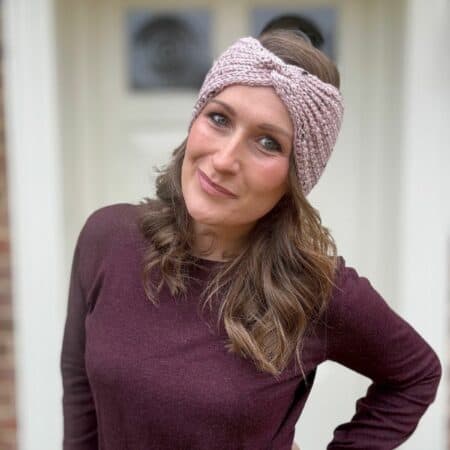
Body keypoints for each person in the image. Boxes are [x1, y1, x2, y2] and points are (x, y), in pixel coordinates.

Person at [60, 29, 442, 450]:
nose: (224, 160)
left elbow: (415, 374)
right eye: (219, 118)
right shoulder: (108, 239)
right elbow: (80, 384)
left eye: (267, 142)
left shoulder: (314, 292)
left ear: (295, 178)